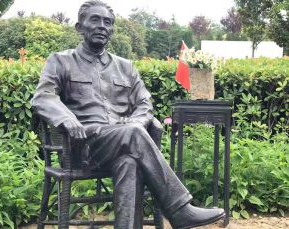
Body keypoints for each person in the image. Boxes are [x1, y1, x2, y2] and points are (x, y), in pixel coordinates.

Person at [32, 1, 225, 228]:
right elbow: (43, 97)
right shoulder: (61, 61)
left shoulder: (126, 67)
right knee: (133, 135)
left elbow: (145, 103)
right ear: (79, 27)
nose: (102, 26)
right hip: (83, 146)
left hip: (124, 142)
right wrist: (66, 118)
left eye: (108, 22)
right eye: (95, 20)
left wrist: (135, 121)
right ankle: (179, 210)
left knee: (129, 160)